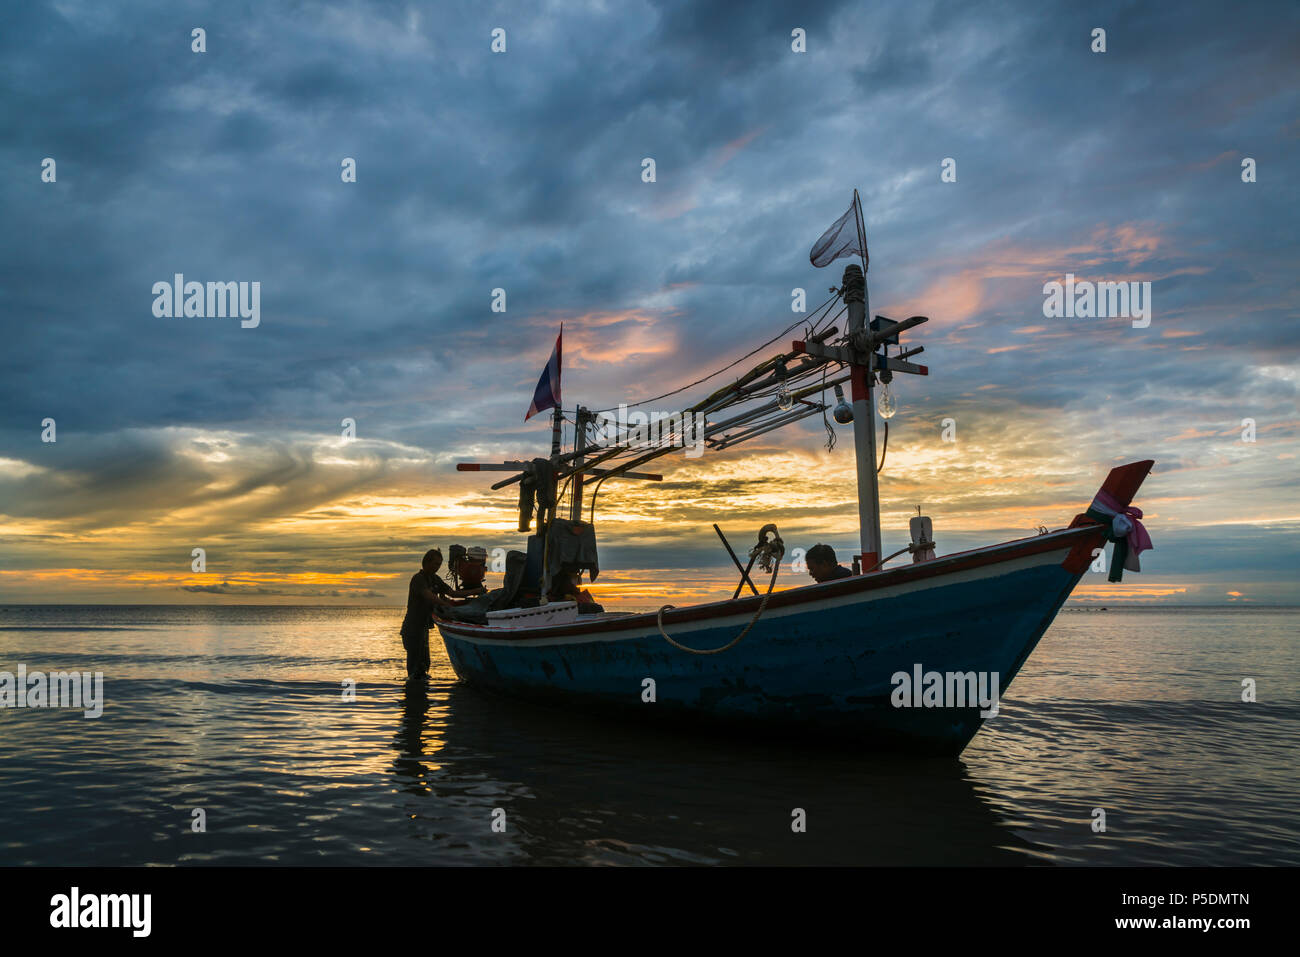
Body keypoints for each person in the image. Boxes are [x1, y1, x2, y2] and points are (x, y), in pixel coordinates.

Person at [400, 549, 453, 681]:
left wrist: (478, 591)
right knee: (415, 668)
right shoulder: (418, 579)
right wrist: (446, 604)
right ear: (426, 562)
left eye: (439, 564)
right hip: (412, 629)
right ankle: (413, 695)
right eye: (435, 564)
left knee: (424, 664)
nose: (437, 567)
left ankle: (420, 695)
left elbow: (452, 593)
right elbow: (429, 596)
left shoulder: (434, 579)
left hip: (423, 628)